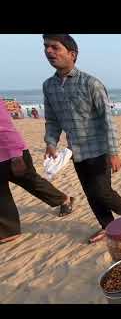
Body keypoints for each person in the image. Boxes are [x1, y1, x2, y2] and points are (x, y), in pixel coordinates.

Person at [42, 34, 121, 244]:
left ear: (72, 54)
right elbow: (52, 119)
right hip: (75, 151)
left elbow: (107, 120)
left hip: (99, 150)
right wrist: (50, 142)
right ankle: (108, 226)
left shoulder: (91, 84)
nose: (49, 52)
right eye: (46, 47)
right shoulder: (49, 86)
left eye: (55, 47)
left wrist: (114, 152)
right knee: (91, 194)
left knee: (102, 191)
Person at [0, 100, 74, 244]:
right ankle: (9, 231)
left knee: (32, 182)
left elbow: (4, 129)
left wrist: (16, 155)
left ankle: (63, 199)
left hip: (12, 154)